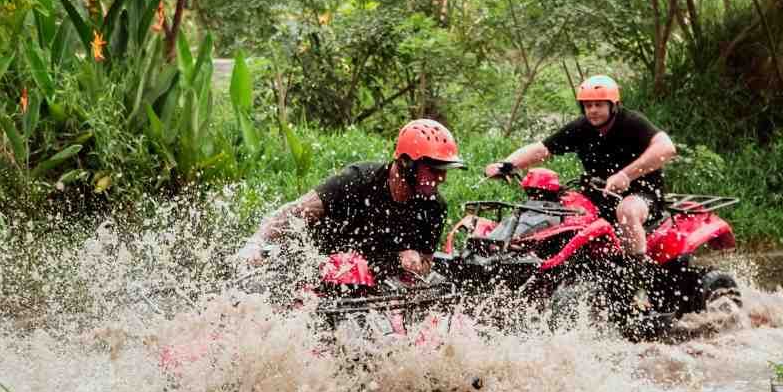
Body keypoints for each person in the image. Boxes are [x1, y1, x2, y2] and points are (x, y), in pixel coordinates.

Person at [485, 74, 677, 262]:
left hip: (641, 195)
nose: (592, 110)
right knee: (557, 210)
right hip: (597, 194)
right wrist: (506, 164)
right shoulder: (582, 127)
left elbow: (666, 148)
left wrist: (626, 175)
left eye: (599, 105)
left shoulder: (631, 122)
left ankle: (635, 273)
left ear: (613, 106)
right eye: (587, 105)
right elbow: (542, 149)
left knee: (626, 212)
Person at [245, 119, 466, 280]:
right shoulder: (358, 180)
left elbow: (427, 262)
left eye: (443, 170)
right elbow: (295, 212)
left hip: (374, 280)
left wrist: (415, 262)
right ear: (407, 164)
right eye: (434, 170)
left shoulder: (435, 207)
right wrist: (256, 243)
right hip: (319, 266)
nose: (442, 178)